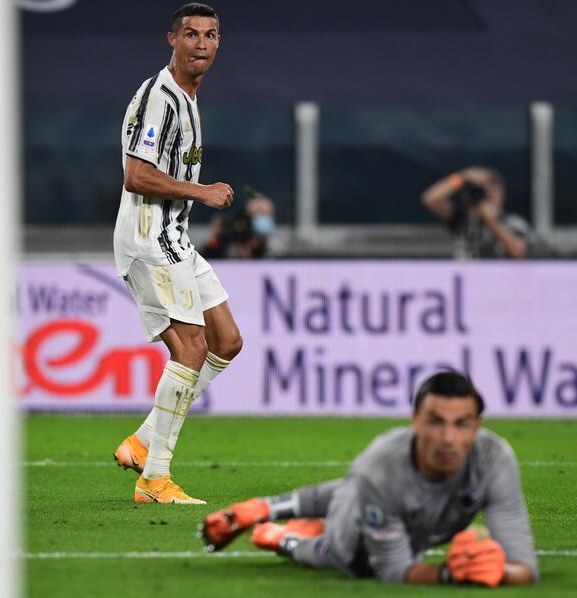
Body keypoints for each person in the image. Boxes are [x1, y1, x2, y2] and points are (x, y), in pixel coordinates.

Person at [200, 371, 538, 587]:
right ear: (415, 421)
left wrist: (499, 572)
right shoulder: (381, 465)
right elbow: (393, 571)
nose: (448, 437)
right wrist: (450, 576)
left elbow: (524, 566)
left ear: (477, 426)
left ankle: (267, 508)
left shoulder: (494, 458)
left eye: (462, 424)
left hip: (390, 511)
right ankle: (280, 536)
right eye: (436, 422)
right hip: (354, 540)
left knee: (365, 492)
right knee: (333, 554)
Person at [111, 3, 243, 505]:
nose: (201, 44)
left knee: (225, 341)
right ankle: (155, 479)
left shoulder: (188, 98)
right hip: (149, 239)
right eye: (191, 34)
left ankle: (143, 442)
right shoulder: (159, 98)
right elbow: (135, 175)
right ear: (172, 40)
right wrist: (201, 191)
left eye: (210, 35)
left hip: (175, 238)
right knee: (189, 349)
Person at [420, 167, 541, 259]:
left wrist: (491, 220)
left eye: (489, 191)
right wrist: (462, 178)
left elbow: (518, 251)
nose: (484, 198)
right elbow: (429, 200)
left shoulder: (513, 223)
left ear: (500, 194)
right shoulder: (465, 220)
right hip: (466, 285)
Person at [203, 186, 275, 259]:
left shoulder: (276, 245)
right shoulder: (228, 235)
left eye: (265, 213)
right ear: (248, 214)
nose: (262, 217)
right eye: (259, 212)